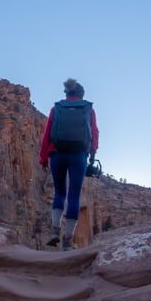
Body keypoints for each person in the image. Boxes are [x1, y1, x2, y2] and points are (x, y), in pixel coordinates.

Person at [39, 78, 99, 250]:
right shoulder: (88, 109)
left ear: (67, 93)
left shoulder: (56, 108)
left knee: (59, 193)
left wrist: (43, 157)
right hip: (78, 156)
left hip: (56, 154)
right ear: (81, 95)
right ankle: (67, 241)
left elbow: (47, 135)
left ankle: (54, 232)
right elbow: (94, 132)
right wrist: (92, 154)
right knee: (74, 197)